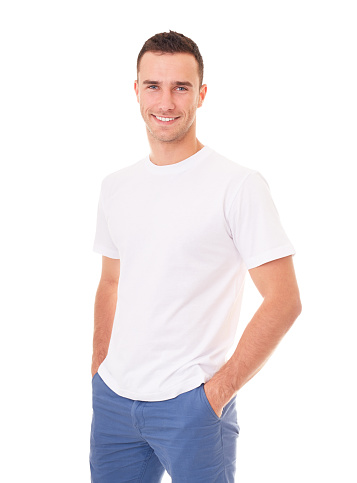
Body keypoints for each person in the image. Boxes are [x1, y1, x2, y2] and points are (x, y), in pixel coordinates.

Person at [89, 30, 302, 483]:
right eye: (154, 86)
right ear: (136, 91)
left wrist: (217, 393)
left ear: (201, 95)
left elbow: (284, 300)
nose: (166, 102)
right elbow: (110, 283)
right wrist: (99, 369)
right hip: (113, 401)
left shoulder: (237, 185)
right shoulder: (116, 186)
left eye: (180, 87)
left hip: (192, 407)